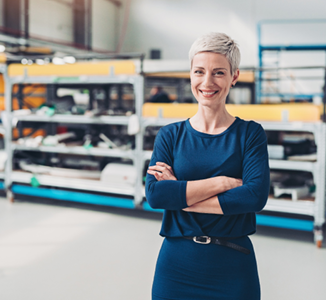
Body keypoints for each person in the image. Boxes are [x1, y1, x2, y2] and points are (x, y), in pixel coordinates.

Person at [145, 32, 270, 300]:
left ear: (234, 77)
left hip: (233, 267)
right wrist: (222, 183)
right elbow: (156, 195)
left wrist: (180, 195)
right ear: (190, 74)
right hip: (176, 267)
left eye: (219, 73)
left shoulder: (250, 134)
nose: (207, 82)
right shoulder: (170, 135)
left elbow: (254, 196)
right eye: (199, 71)